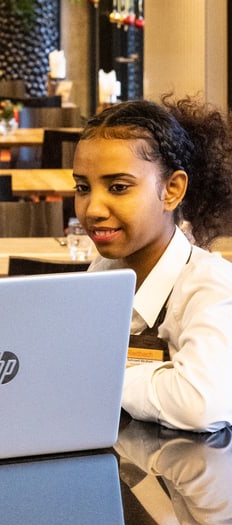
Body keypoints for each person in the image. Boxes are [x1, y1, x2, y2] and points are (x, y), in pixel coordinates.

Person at [72, 96, 232, 432]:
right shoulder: (103, 271)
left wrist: (101, 376)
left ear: (172, 190)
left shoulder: (210, 285)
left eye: (118, 187)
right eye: (83, 188)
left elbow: (201, 404)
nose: (93, 208)